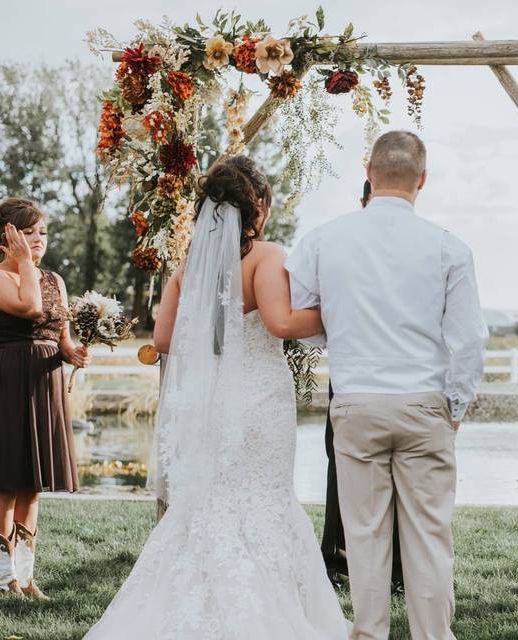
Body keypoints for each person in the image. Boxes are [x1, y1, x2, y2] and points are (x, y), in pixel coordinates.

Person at [85, 156, 348, 639]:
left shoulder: (190, 266)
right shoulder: (266, 256)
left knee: (212, 503)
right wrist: (343, 315)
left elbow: (163, 339)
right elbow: (281, 323)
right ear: (260, 207)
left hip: (211, 405)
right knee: (265, 499)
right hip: (261, 402)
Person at [286, 131, 488, 639]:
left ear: (369, 173)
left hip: (356, 402)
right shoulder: (449, 248)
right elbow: (469, 341)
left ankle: (370, 634)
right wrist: (455, 407)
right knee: (429, 538)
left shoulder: (321, 240)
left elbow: (305, 317)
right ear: (423, 180)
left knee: (365, 536)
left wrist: (346, 326)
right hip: (424, 404)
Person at [0, 197, 90, 600]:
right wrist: (25, 263)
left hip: (44, 379)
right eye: (28, 232)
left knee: (34, 485)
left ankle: (26, 579)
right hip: (8, 378)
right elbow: (30, 306)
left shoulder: (55, 279)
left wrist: (73, 353)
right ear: (7, 237)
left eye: (42, 232)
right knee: (6, 482)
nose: (38, 240)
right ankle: (5, 583)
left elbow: (60, 336)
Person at [321, 179, 405, 591]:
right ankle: (336, 560)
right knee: (340, 469)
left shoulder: (414, 250)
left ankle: (397, 570)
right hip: (350, 379)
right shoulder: (342, 247)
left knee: (401, 478)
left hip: (401, 380)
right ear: (363, 202)